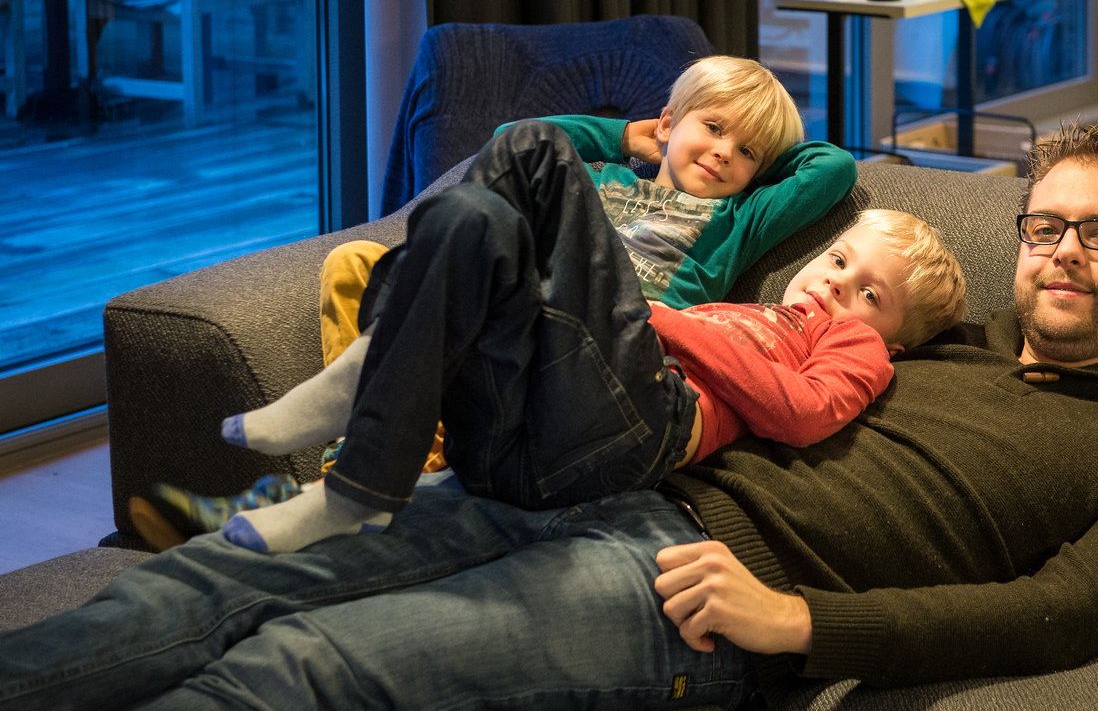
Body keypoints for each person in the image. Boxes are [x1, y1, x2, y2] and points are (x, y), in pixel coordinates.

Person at [0, 122, 1098, 711]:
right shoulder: (928, 341)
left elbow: (1059, 613)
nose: (1062, 248)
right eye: (1043, 226)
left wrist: (802, 625)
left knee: (303, 670)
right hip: (599, 472)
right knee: (222, 575)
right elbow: (766, 287)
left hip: (683, 588)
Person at [129, 54, 859, 549]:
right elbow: (502, 144)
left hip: (615, 349)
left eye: (748, 152)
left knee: (535, 153)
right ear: (668, 122)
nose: (726, 152)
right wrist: (628, 135)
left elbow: (833, 166)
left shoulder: (739, 218)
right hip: (529, 324)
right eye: (713, 127)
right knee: (362, 260)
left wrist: (759, 131)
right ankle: (386, 447)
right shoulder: (603, 170)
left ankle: (369, 410)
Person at [208, 122, 964, 554]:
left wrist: (656, 319)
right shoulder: (746, 310)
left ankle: (365, 381)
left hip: (643, 424)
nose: (836, 285)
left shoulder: (853, 351)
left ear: (892, 342)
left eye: (871, 295)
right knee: (476, 218)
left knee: (537, 151)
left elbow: (797, 412)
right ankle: (366, 470)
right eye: (838, 261)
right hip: (534, 433)